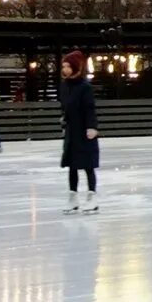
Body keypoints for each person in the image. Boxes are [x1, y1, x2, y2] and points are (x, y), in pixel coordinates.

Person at [59, 50, 99, 213]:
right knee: (72, 166)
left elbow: (90, 108)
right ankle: (73, 197)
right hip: (71, 131)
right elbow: (66, 107)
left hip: (84, 131)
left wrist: (92, 127)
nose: (65, 69)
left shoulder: (85, 87)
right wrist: (64, 120)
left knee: (88, 165)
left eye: (68, 66)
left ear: (76, 67)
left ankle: (92, 197)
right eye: (64, 66)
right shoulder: (65, 86)